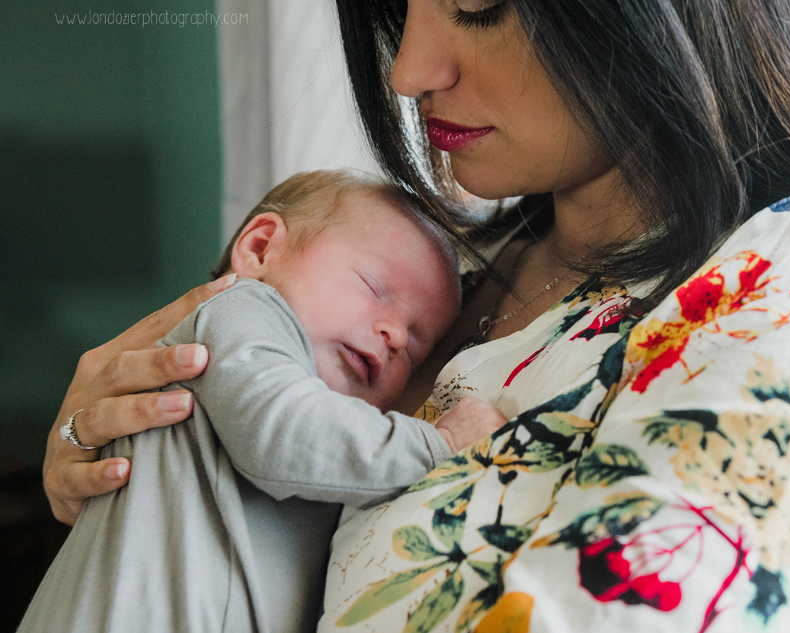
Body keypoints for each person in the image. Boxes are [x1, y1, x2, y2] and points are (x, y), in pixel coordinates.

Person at [40, 0, 790, 631]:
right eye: (405, 8)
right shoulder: (431, 272)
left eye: (479, 4)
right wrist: (123, 455)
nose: (406, 71)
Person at [19, 169, 506, 632]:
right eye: (373, 287)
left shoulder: (345, 435)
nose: (395, 334)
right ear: (260, 248)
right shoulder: (244, 310)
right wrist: (440, 445)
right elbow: (282, 432)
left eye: (416, 344)